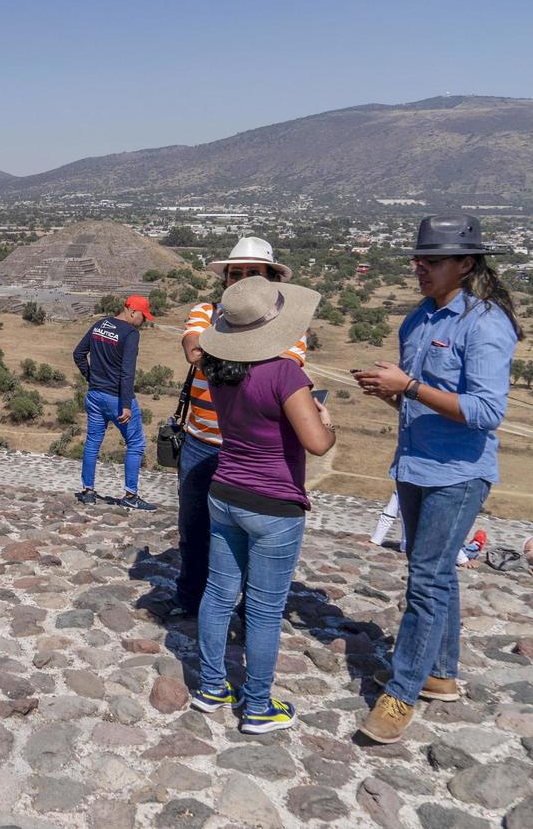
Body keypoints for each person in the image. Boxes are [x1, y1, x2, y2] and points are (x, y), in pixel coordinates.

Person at [355, 214, 520, 744]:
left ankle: (401, 693)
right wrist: (393, 391)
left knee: (425, 578)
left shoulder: (485, 323)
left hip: (457, 473)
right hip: (415, 465)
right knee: (434, 572)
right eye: (418, 258)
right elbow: (419, 393)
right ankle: (441, 674)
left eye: (432, 260)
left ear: (465, 264)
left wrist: (410, 388)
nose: (419, 267)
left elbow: (487, 410)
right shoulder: (418, 320)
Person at [187, 276, 334, 734]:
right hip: (274, 502)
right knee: (266, 609)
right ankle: (257, 705)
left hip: (224, 491)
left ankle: (211, 686)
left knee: (217, 593)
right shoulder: (285, 374)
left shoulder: (216, 368)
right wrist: (326, 420)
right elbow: (316, 443)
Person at [173, 236, 307, 617]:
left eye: (252, 273)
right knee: (193, 527)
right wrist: (252, 341)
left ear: (270, 280)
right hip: (204, 440)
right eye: (237, 273)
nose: (242, 279)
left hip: (257, 451)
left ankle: (252, 610)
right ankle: (190, 599)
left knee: (256, 538)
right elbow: (194, 350)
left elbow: (287, 367)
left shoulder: (290, 327)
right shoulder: (205, 311)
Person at [72, 296, 154, 509]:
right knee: (136, 444)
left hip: (95, 395)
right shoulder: (130, 333)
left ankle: (88, 491)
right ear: (132, 311)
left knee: (92, 442)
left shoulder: (99, 325)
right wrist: (126, 404)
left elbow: (79, 354)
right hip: (117, 398)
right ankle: (130, 495)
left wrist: (90, 377)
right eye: (143, 317)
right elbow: (127, 372)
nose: (144, 322)